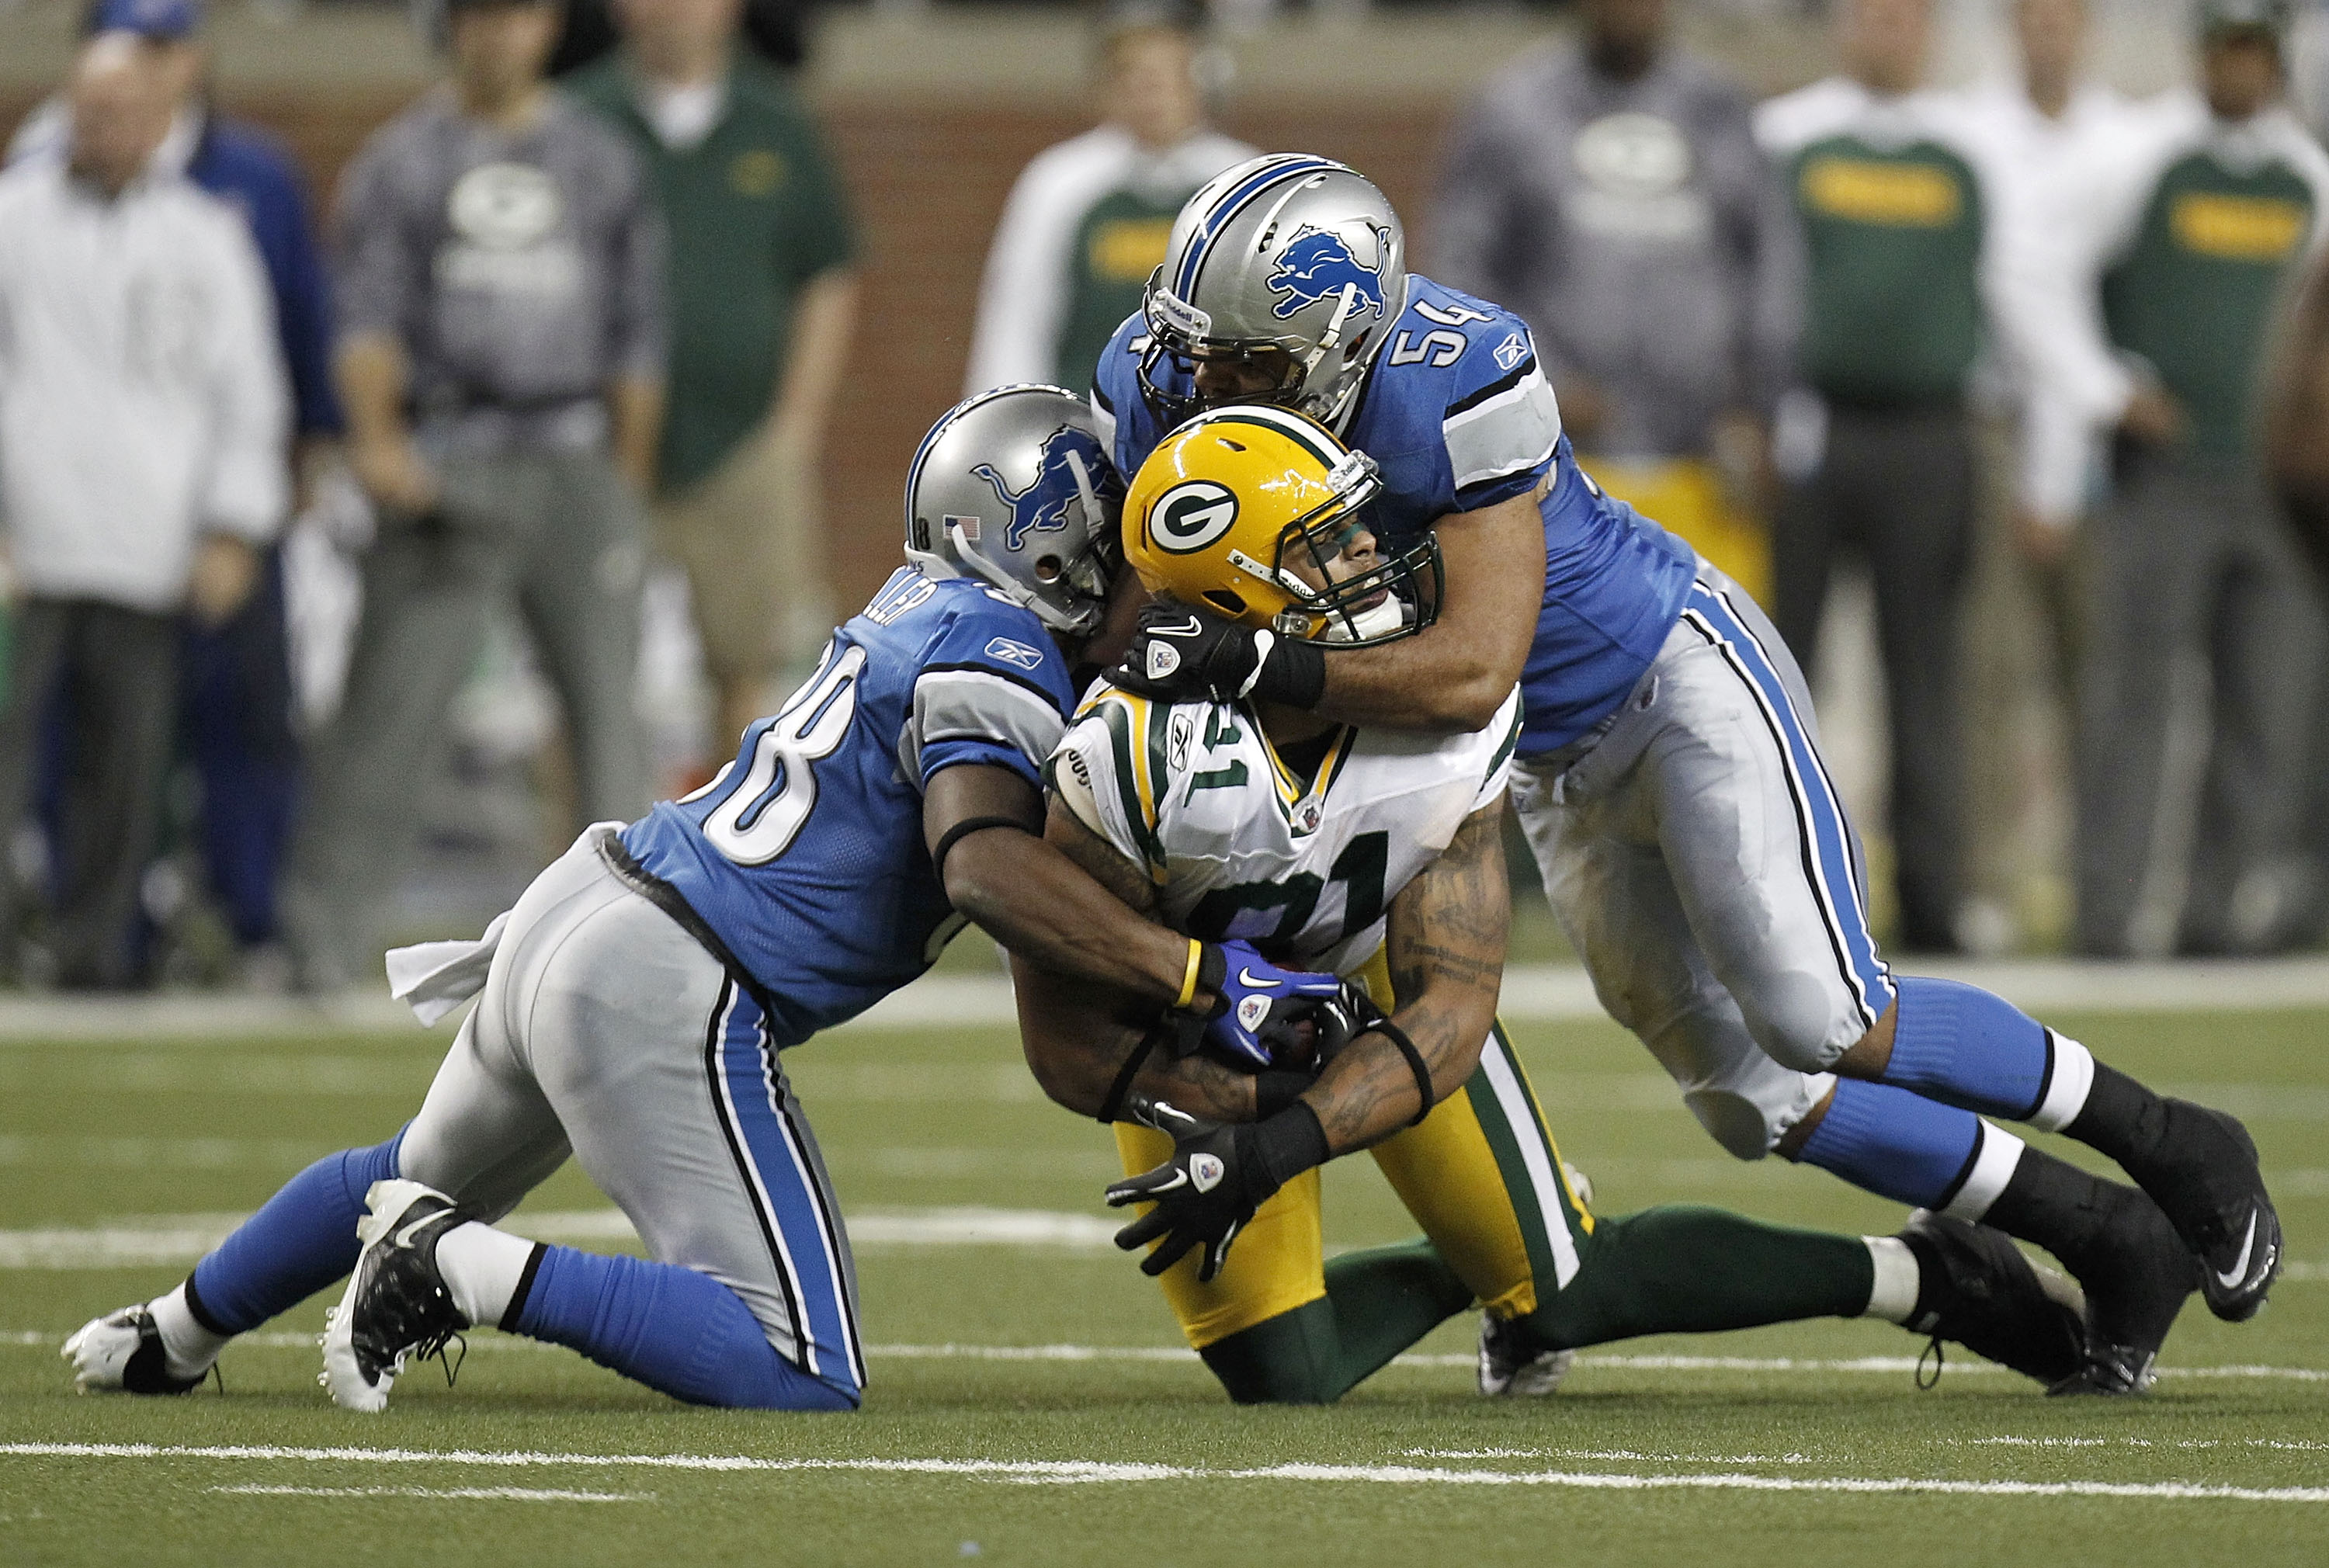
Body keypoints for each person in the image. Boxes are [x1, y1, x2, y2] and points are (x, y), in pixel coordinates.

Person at [1095, 151, 2279, 1394]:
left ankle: (2176, 1140)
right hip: (1550, 763)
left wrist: (1253, 662)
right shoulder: (1156, 371)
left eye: (1250, 366)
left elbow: (1475, 670)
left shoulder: (1457, 377)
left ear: (1342, 345)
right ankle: (2100, 1232)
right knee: (1752, 1097)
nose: (1210, 383)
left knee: (1828, 1012)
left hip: (1667, 679)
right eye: (1197, 348)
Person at [60, 388, 1343, 1410]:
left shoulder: (924, 608)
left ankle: (167, 1334)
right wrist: (1197, 976)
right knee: (795, 1360)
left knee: (404, 1167)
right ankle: (457, 1266)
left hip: (589, 903)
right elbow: (985, 866)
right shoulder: (997, 650)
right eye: (1112, 541)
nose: (1140, 582)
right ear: (1053, 543)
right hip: (667, 971)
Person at [1011, 405, 2088, 1403]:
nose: (1371, 558)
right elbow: (1067, 1042)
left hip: (1383, 979)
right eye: (1328, 544)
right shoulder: (1124, 759)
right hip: (1200, 1032)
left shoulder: (1435, 716)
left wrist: (1283, 1145)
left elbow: (1451, 1013)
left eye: (1358, 531)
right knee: (1280, 1374)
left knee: (1560, 1289)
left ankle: (1923, 1276)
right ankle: (1488, 1247)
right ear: (1238, 592)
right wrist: (1208, 1101)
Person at [279, 0, 667, 993]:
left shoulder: (600, 158)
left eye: (518, 15)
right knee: (390, 713)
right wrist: (377, 439)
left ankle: (635, 945)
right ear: (446, 28)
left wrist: (622, 482)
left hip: (574, 447)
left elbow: (637, 333)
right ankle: (320, 943)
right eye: (479, 16)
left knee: (608, 719)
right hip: (450, 453)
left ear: (547, 29)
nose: (498, 36)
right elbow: (364, 314)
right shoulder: (402, 160)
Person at [8, 0, 345, 972]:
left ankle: (99, 949)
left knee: (131, 764)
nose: (108, 125)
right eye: (92, 106)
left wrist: (234, 524)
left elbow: (250, 390)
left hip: (148, 537)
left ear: (162, 114)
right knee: (18, 751)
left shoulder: (207, 233)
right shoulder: (15, 220)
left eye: (127, 106)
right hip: (29, 538)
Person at [2035, 0, 2329, 958]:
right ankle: (2109, 911)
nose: (2236, 69)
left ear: (2274, 62)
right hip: (2163, 473)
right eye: (2222, 49)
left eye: (2252, 52)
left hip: (2273, 486)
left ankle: (2225, 909)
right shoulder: (2143, 157)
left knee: (2268, 701)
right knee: (2135, 699)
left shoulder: (2307, 178)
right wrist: (2105, 386)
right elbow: (2042, 269)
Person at [566, 0, 861, 753]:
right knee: (581, 677)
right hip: (596, 447)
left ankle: (733, 859)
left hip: (743, 444)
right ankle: (570, 863)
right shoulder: (577, 119)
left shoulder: (778, 122)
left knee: (749, 673)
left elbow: (827, 275)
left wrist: (796, 424)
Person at [1431, 0, 1796, 605]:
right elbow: (1463, 271)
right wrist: (1534, 385)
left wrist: (1759, 407)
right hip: (1561, 467)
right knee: (1567, 676)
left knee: (1705, 670)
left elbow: (1771, 265)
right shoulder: (1512, 109)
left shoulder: (1722, 109)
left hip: (1703, 460)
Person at [963, 0, 1253, 397]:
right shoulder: (1059, 182)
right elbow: (1017, 321)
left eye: (1165, 76)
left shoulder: (1240, 180)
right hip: (1084, 426)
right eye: (1133, 76)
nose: (1150, 94)